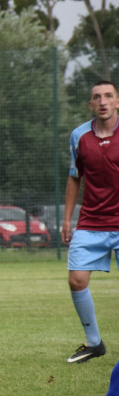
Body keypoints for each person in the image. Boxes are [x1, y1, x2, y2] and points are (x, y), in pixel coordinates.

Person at [63, 80, 119, 364]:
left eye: (109, 96)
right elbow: (75, 177)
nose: (103, 101)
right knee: (76, 279)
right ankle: (94, 343)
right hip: (91, 221)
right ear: (90, 105)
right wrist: (67, 219)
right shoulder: (79, 136)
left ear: (117, 101)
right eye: (97, 97)